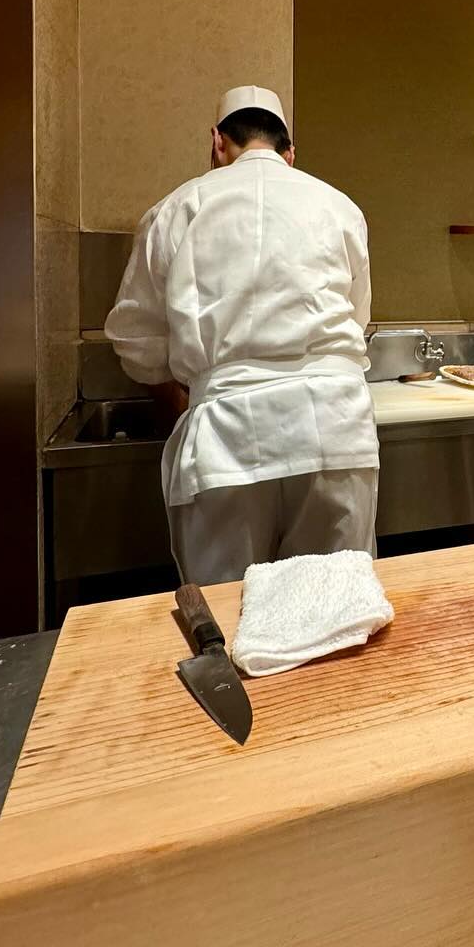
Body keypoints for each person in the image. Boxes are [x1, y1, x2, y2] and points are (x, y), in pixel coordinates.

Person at [106, 85, 378, 585]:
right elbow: (356, 322)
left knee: (230, 609)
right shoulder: (341, 208)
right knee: (336, 604)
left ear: (217, 142)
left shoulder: (178, 207)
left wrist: (183, 398)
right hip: (336, 430)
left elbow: (136, 341)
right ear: (289, 153)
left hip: (227, 442)